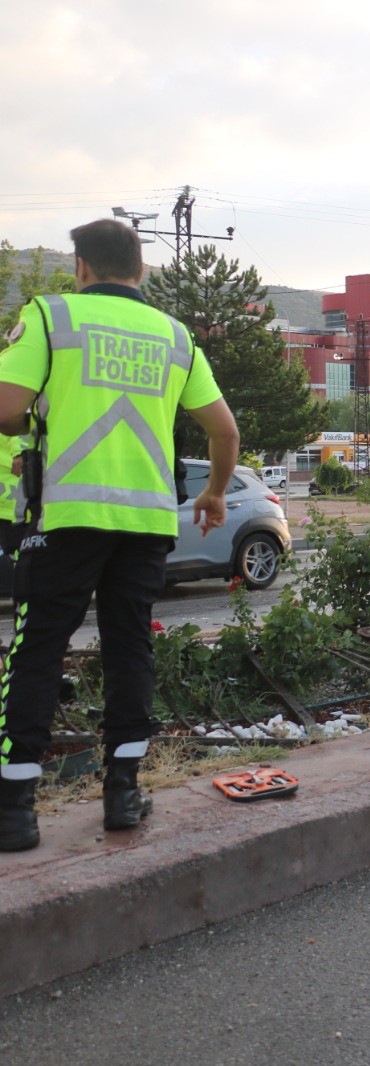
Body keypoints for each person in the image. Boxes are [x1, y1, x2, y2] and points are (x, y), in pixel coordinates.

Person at [0, 218, 240, 852]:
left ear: (80, 266)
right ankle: (123, 794)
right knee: (129, 646)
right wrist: (214, 493)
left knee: (39, 648)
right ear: (139, 270)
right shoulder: (176, 336)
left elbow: (4, 409)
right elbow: (224, 432)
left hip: (67, 518)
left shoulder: (51, 318)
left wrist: (34, 417)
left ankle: (15, 807)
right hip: (146, 524)